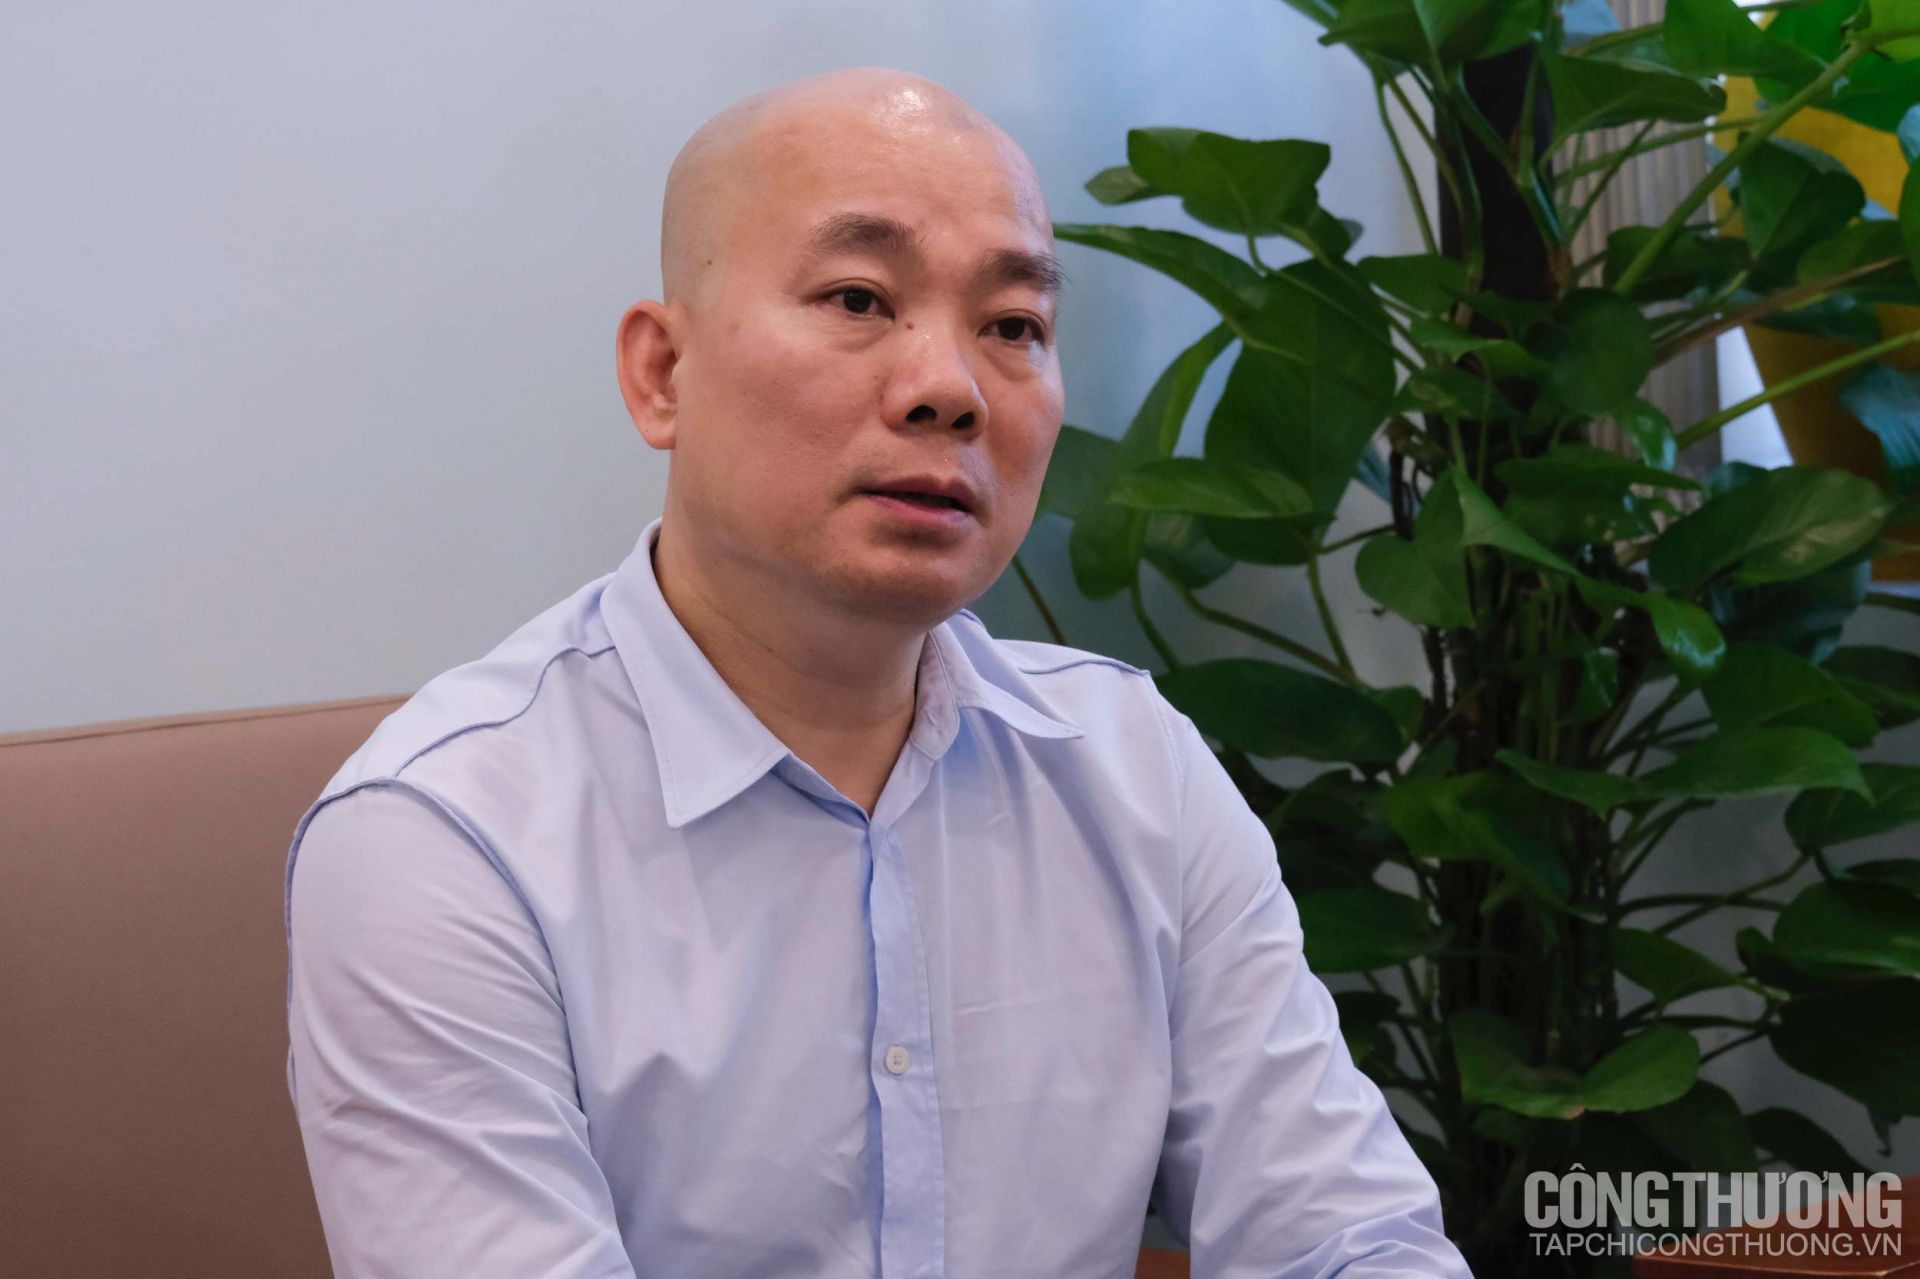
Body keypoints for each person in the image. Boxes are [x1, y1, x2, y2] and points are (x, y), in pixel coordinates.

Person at [283, 64, 1472, 1279]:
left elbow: (1350, 1236)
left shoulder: (1134, 770)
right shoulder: (449, 838)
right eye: (858, 298)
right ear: (662, 374)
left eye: (1013, 326)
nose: (950, 389)